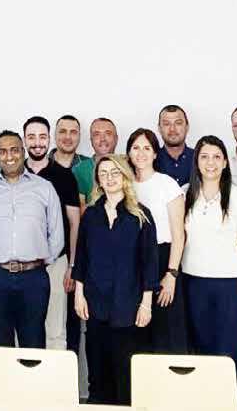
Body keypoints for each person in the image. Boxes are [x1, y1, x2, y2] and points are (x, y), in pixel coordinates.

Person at [73, 155, 158, 405]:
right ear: (98, 180)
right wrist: (79, 294)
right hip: (96, 305)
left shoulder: (141, 215)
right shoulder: (91, 215)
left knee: (126, 376)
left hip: (128, 306)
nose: (109, 178)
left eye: (114, 172)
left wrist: (146, 304)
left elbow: (149, 263)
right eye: (103, 174)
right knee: (97, 375)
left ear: (124, 176)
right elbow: (82, 257)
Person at [181, 136, 237, 409]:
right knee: (199, 349)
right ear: (197, 162)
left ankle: (232, 404)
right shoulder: (185, 194)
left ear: (225, 162)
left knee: (229, 351)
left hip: (230, 285)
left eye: (216, 157)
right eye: (204, 157)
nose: (210, 162)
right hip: (193, 283)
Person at [0, 130, 64, 348]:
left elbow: (57, 234)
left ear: (23, 152)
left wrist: (40, 262)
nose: (9, 156)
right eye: (3, 151)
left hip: (33, 278)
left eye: (14, 150)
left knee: (33, 345)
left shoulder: (44, 188)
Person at [124, 129, 188, 353]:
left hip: (163, 260)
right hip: (132, 264)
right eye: (136, 148)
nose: (141, 153)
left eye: (147, 148)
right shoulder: (125, 185)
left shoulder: (167, 184)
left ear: (154, 154)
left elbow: (179, 235)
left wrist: (171, 274)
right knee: (137, 331)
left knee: (167, 331)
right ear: (128, 153)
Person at [23, 116, 81, 354]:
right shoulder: (14, 173)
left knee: (56, 330)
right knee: (26, 327)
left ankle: (56, 379)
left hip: (57, 262)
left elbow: (75, 224)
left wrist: (72, 266)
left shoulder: (64, 176)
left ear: (49, 139)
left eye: (42, 137)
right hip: (23, 263)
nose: (37, 143)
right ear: (24, 140)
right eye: (31, 137)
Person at [50, 115, 95, 206]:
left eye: (73, 132)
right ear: (55, 135)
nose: (68, 137)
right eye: (62, 131)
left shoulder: (92, 166)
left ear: (79, 136)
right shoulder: (38, 164)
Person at [155, 105, 194, 186]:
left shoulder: (200, 159)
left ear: (187, 127)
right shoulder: (150, 161)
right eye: (166, 124)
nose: (172, 129)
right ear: (159, 129)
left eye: (178, 123)